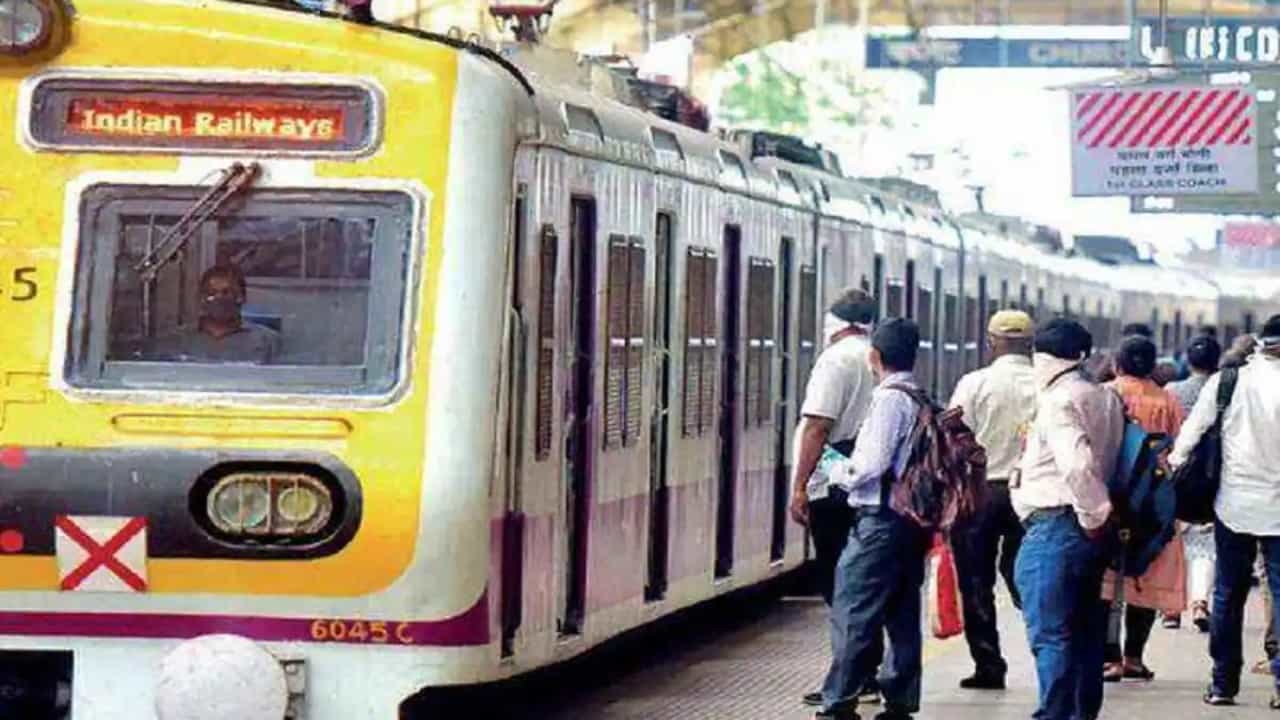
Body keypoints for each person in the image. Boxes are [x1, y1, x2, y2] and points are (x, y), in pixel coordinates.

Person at [817, 319, 930, 720]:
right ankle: (900, 699)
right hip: (909, 522)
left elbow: (871, 465)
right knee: (901, 611)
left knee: (853, 609)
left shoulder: (888, 400)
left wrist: (834, 469)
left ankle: (839, 701)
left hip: (880, 520)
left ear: (874, 357)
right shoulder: (918, 395)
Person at [1013, 318, 1124, 720]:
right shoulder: (1105, 396)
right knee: (1086, 633)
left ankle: (1054, 715)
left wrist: (1093, 517)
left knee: (1051, 633)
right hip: (1087, 533)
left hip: (1057, 526)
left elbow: (1077, 466)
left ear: (1042, 358)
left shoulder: (1059, 401)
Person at [1171, 315, 1280, 708]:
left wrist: (1175, 467)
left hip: (1233, 505)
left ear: (1260, 343)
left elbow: (1189, 436)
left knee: (1227, 595)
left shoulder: (1228, 382)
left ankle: (1223, 684)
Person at [789, 289, 882, 708]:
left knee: (840, 585)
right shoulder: (875, 356)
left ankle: (852, 676)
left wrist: (799, 486)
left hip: (833, 484)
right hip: (865, 481)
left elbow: (817, 427)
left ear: (835, 323)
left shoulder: (836, 360)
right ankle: (864, 672)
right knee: (860, 582)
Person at [947, 310, 1036, 691]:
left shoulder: (974, 383)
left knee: (975, 579)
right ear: (1031, 345)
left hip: (980, 491)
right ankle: (1047, 648)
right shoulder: (1045, 384)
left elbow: (953, 433)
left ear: (991, 342)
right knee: (1028, 576)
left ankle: (988, 664)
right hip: (1031, 493)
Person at [1102, 336, 1187, 682]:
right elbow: (1180, 447)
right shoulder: (1167, 400)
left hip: (1111, 495)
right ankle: (1134, 658)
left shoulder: (1107, 393)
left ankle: (1109, 658)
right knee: (1147, 576)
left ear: (1117, 362)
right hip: (1154, 500)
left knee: (1107, 580)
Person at [1168, 335, 1223, 633]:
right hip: (1213, 474)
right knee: (1205, 543)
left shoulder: (1172, 391)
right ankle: (1200, 601)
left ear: (1188, 360)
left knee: (1174, 540)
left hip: (1177, 472)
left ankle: (1171, 607)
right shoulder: (1224, 391)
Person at [148, 265, 281, 364]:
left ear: (242, 297)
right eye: (211, 293)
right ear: (201, 299)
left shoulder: (268, 342)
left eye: (227, 292)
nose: (219, 298)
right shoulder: (176, 341)